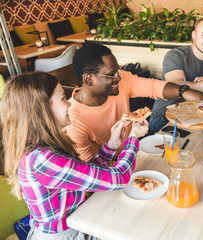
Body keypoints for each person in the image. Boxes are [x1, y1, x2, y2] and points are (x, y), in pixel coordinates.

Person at [1, 72, 148, 239]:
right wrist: (133, 138)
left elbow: (83, 173)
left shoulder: (42, 148)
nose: (69, 104)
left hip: (75, 221)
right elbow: (119, 178)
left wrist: (112, 145)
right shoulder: (43, 160)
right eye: (63, 98)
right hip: (65, 234)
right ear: (43, 109)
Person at [67, 43, 203, 162]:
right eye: (111, 75)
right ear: (88, 79)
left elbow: (153, 87)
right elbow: (94, 169)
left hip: (134, 153)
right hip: (112, 173)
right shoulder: (71, 122)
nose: (118, 78)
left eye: (117, 72)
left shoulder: (121, 80)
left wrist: (184, 91)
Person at [149, 18, 203, 134]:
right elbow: (177, 84)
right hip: (164, 118)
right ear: (194, 35)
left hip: (195, 118)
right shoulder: (175, 55)